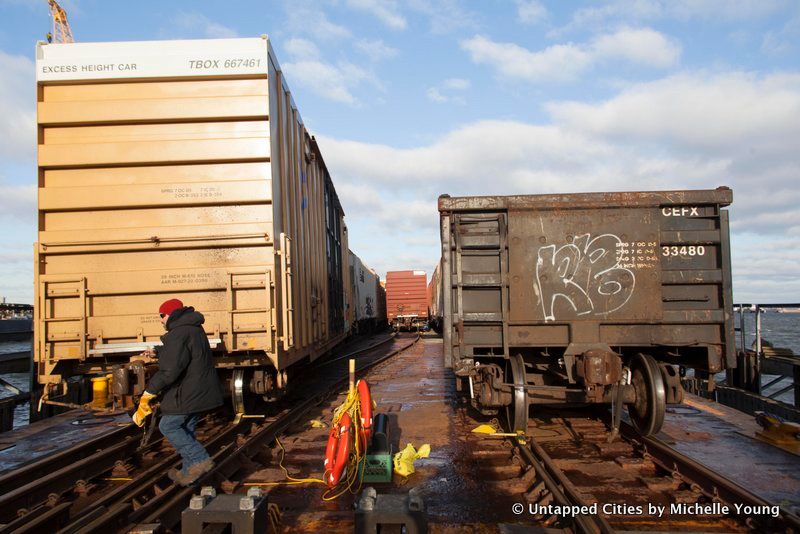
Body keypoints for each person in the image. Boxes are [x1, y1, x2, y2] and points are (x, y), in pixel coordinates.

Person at [132, 298, 223, 486]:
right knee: (186, 428)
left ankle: (200, 460)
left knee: (168, 426)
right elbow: (182, 353)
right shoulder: (192, 328)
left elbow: (170, 371)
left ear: (170, 315)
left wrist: (149, 392)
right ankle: (189, 474)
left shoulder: (178, 333)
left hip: (188, 392)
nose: (160, 320)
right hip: (200, 391)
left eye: (161, 316)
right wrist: (158, 352)